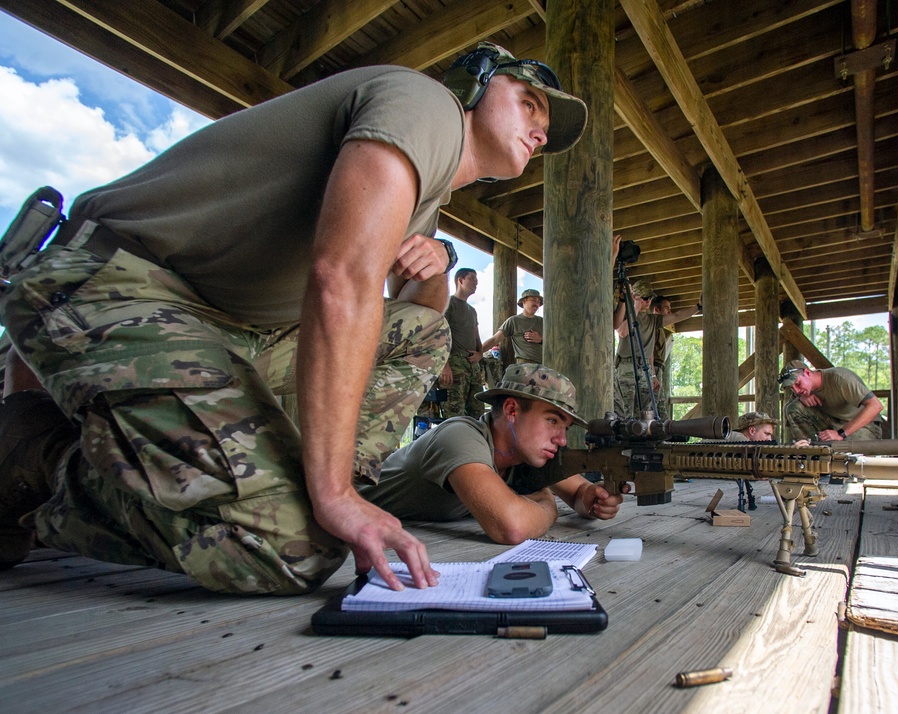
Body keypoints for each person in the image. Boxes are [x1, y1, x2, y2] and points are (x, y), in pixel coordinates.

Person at [0, 42, 587, 593]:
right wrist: (329, 498)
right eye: (529, 103)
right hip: (112, 281)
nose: (540, 129)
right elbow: (341, 278)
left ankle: (316, 490)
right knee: (299, 544)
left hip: (231, 327)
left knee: (419, 335)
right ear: (474, 86)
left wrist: (433, 263)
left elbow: (419, 319)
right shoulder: (428, 107)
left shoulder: (428, 191)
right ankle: (33, 453)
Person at [358, 364, 622, 544]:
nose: (562, 439)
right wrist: (548, 504)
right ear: (511, 410)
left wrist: (592, 501)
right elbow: (512, 526)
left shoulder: (526, 453)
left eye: (565, 427)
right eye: (552, 421)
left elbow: (579, 493)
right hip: (350, 524)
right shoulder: (460, 436)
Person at [779, 360, 884, 443]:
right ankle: (810, 449)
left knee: (840, 449)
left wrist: (841, 433)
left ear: (807, 373)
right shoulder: (802, 392)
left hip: (864, 427)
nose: (796, 390)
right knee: (793, 408)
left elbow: (875, 406)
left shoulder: (840, 378)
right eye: (792, 388)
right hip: (833, 424)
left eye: (798, 384)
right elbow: (789, 409)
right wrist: (800, 397)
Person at [437, 268, 484, 418]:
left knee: (477, 410)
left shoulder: (472, 310)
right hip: (454, 364)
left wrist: (480, 354)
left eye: (477, 281)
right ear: (460, 280)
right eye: (472, 280)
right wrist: (444, 365)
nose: (476, 284)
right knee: (454, 411)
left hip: (472, 366)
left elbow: (477, 337)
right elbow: (439, 334)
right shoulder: (448, 303)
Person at [613, 278, 661, 416]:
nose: (648, 301)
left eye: (650, 298)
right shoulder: (625, 311)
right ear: (635, 297)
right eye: (646, 298)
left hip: (643, 369)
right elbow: (622, 331)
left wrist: (652, 374)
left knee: (645, 412)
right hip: (626, 367)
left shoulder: (651, 320)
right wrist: (635, 307)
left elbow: (649, 353)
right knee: (625, 411)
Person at [649, 295, 700, 419]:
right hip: (653, 368)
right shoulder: (652, 327)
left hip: (658, 368)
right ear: (656, 310)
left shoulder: (659, 328)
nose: (669, 312)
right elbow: (648, 352)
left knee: (660, 404)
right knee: (652, 404)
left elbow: (677, 316)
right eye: (666, 308)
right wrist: (653, 374)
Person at [724, 411, 780, 512]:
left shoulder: (738, 440)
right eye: (767, 434)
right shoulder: (738, 438)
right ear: (752, 431)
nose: (769, 439)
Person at [481, 288, 544, 364]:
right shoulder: (513, 321)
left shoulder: (543, 322)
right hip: (524, 366)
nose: (536, 304)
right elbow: (495, 339)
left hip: (545, 365)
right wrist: (478, 352)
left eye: (538, 302)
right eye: (534, 300)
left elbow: (554, 343)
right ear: (524, 301)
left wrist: (540, 340)